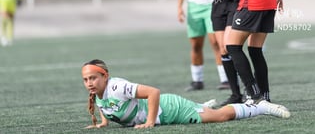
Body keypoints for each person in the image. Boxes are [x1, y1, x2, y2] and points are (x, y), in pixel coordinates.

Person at [81, 59, 290, 129]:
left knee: (220, 117)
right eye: (86, 79)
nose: (89, 83)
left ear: (105, 76)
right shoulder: (98, 94)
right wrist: (103, 122)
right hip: (165, 112)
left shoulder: (117, 86)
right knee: (210, 112)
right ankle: (201, 104)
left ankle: (260, 106)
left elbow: (153, 92)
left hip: (170, 110)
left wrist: (150, 122)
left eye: (93, 78)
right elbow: (106, 106)